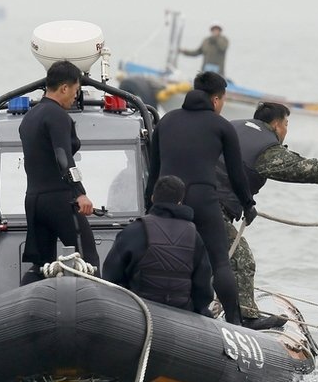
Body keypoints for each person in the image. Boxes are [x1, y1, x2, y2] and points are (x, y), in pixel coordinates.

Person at [214, 101, 318, 329]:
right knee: (242, 259)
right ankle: (246, 317)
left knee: (212, 257)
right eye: (286, 124)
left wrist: (246, 204)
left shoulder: (230, 126)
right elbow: (307, 168)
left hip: (187, 194)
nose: (286, 130)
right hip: (212, 207)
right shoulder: (266, 149)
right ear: (276, 125)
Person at [145, 71, 254, 325]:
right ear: (216, 99)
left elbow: (153, 171)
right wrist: (248, 205)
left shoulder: (166, 121)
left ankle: (155, 314)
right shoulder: (222, 126)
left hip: (166, 201)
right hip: (203, 199)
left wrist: (150, 207)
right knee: (219, 262)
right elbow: (237, 175)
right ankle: (236, 323)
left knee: (163, 258)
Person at [18, 60, 98, 283]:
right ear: (64, 88)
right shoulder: (57, 116)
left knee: (42, 266)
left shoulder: (29, 117)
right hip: (60, 199)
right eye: (75, 91)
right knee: (88, 260)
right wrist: (79, 192)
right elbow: (63, 157)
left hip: (34, 200)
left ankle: (27, 308)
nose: (75, 96)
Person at [103, 176, 215, 316]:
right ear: (180, 202)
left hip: (139, 315)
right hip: (182, 317)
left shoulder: (134, 230)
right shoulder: (194, 236)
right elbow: (203, 288)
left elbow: (110, 276)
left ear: (153, 198)